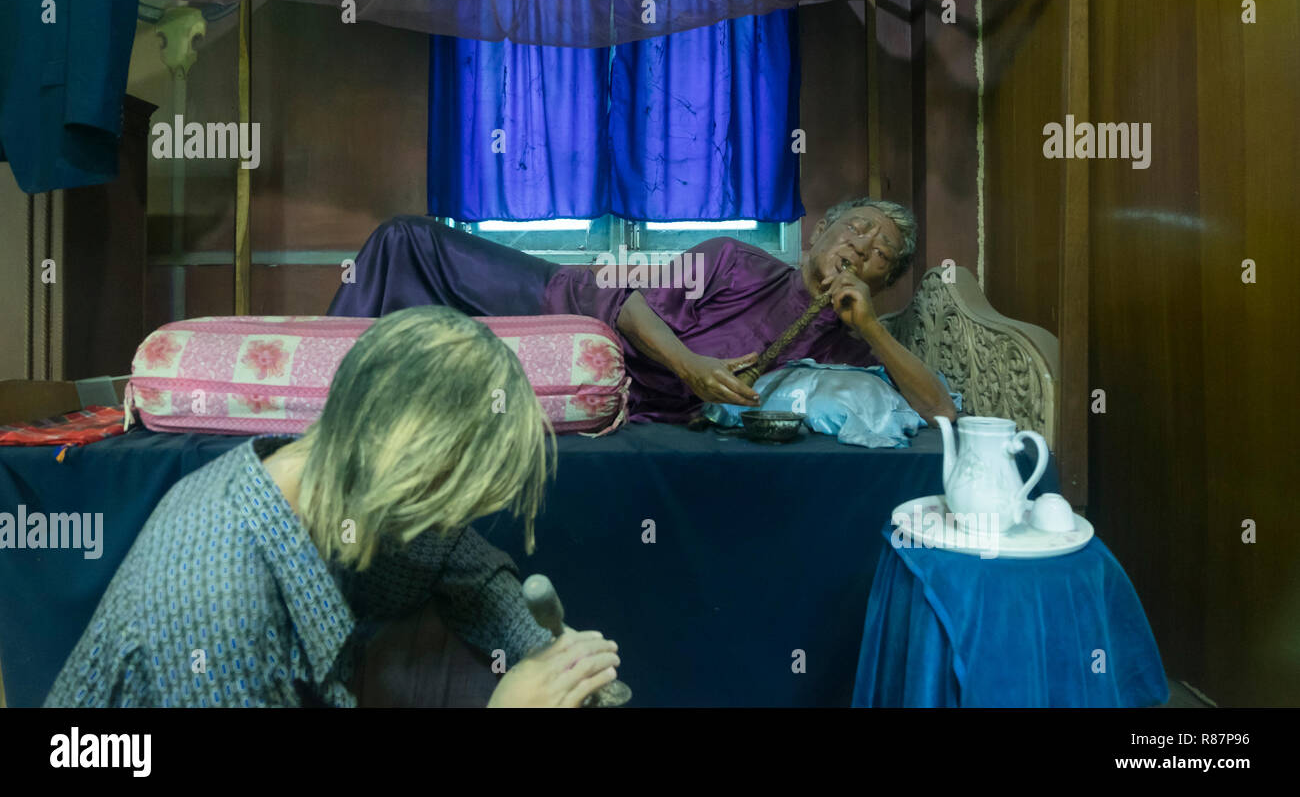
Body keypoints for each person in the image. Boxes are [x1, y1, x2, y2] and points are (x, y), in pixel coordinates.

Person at [44, 307, 620, 708]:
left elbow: (454, 562)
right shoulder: (219, 605)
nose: (448, 525)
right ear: (401, 463)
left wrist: (543, 651)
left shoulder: (333, 477)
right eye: (445, 502)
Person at [329, 198, 957, 426]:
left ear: (884, 281)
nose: (861, 249)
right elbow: (630, 306)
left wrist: (872, 326)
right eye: (856, 229)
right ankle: (313, 394)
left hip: (613, 387)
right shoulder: (737, 259)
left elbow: (942, 412)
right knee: (405, 240)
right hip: (566, 301)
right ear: (820, 233)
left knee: (439, 353)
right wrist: (690, 366)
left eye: (881, 255)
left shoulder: (849, 345)